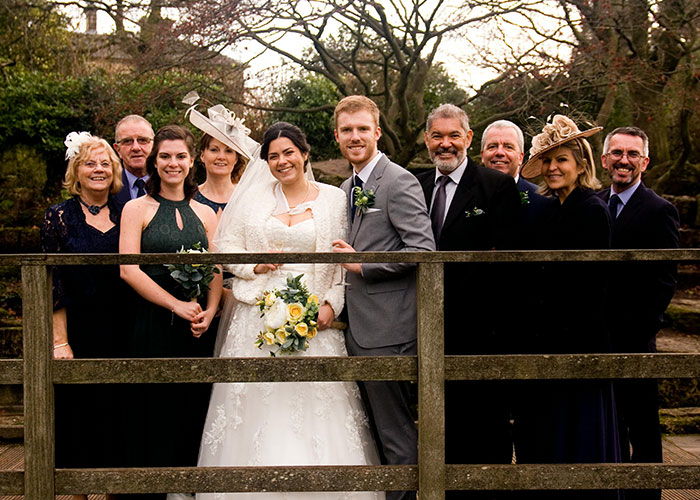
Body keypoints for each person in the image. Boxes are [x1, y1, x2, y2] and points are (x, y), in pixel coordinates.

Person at [197, 121, 383, 500]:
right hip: (257, 317)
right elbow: (224, 248)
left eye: (288, 153)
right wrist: (256, 265)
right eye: (273, 156)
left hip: (314, 318)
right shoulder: (252, 201)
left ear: (304, 153)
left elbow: (341, 260)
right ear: (265, 161)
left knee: (316, 408)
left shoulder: (333, 198)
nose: (282, 161)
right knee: (257, 408)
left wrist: (332, 303)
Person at [415, 105, 522, 498]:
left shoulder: (495, 186)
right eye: (438, 136)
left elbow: (510, 261)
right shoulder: (417, 184)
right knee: (436, 420)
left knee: (487, 421)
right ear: (427, 140)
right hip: (425, 323)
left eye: (453, 136)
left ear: (467, 138)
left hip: (482, 326)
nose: (446, 144)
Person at [331, 95, 435, 500]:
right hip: (355, 326)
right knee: (374, 429)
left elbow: (422, 251)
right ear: (337, 136)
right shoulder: (346, 186)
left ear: (377, 132)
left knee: (394, 431)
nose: (354, 137)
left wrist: (364, 265)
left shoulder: (398, 180)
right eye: (346, 130)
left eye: (362, 129)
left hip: (390, 330)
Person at [517, 115, 622, 499]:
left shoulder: (591, 209)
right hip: (547, 335)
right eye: (548, 161)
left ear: (581, 164)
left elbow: (590, 284)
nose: (553, 168)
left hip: (580, 335)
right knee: (550, 428)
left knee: (581, 428)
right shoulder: (551, 208)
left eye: (562, 160)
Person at [119, 125, 221, 491]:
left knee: (191, 404)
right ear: (154, 161)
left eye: (180, 156)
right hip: (150, 321)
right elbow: (128, 269)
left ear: (192, 161)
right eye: (164, 156)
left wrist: (209, 311)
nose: (172, 163)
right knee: (152, 407)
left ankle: (187, 488)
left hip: (195, 327)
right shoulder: (136, 209)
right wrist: (175, 304)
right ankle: (149, 490)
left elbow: (216, 269)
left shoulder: (207, 213)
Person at [41, 132, 126, 500]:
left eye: (105, 163)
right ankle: (76, 493)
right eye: (90, 163)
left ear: (115, 171)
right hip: (76, 329)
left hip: (122, 327)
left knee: (115, 413)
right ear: (76, 171)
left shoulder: (129, 213)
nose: (98, 170)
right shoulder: (58, 217)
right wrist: (60, 341)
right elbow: (53, 283)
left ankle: (109, 492)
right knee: (77, 414)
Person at [598, 126, 680, 500]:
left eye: (632, 154)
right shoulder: (594, 203)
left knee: (642, 426)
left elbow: (663, 282)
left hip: (635, 337)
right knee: (606, 424)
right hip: (595, 336)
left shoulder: (660, 210)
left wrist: (634, 329)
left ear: (644, 161)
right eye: (617, 153)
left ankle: (645, 497)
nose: (624, 161)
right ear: (604, 160)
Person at [188, 104, 256, 218]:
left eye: (228, 151)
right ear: (202, 155)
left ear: (236, 159)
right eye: (214, 150)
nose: (221, 157)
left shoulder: (247, 198)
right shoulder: (189, 197)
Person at [113, 114, 154, 206]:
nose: (136, 148)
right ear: (118, 150)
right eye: (127, 141)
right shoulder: (108, 190)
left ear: (154, 145)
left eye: (143, 140)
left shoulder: (171, 186)